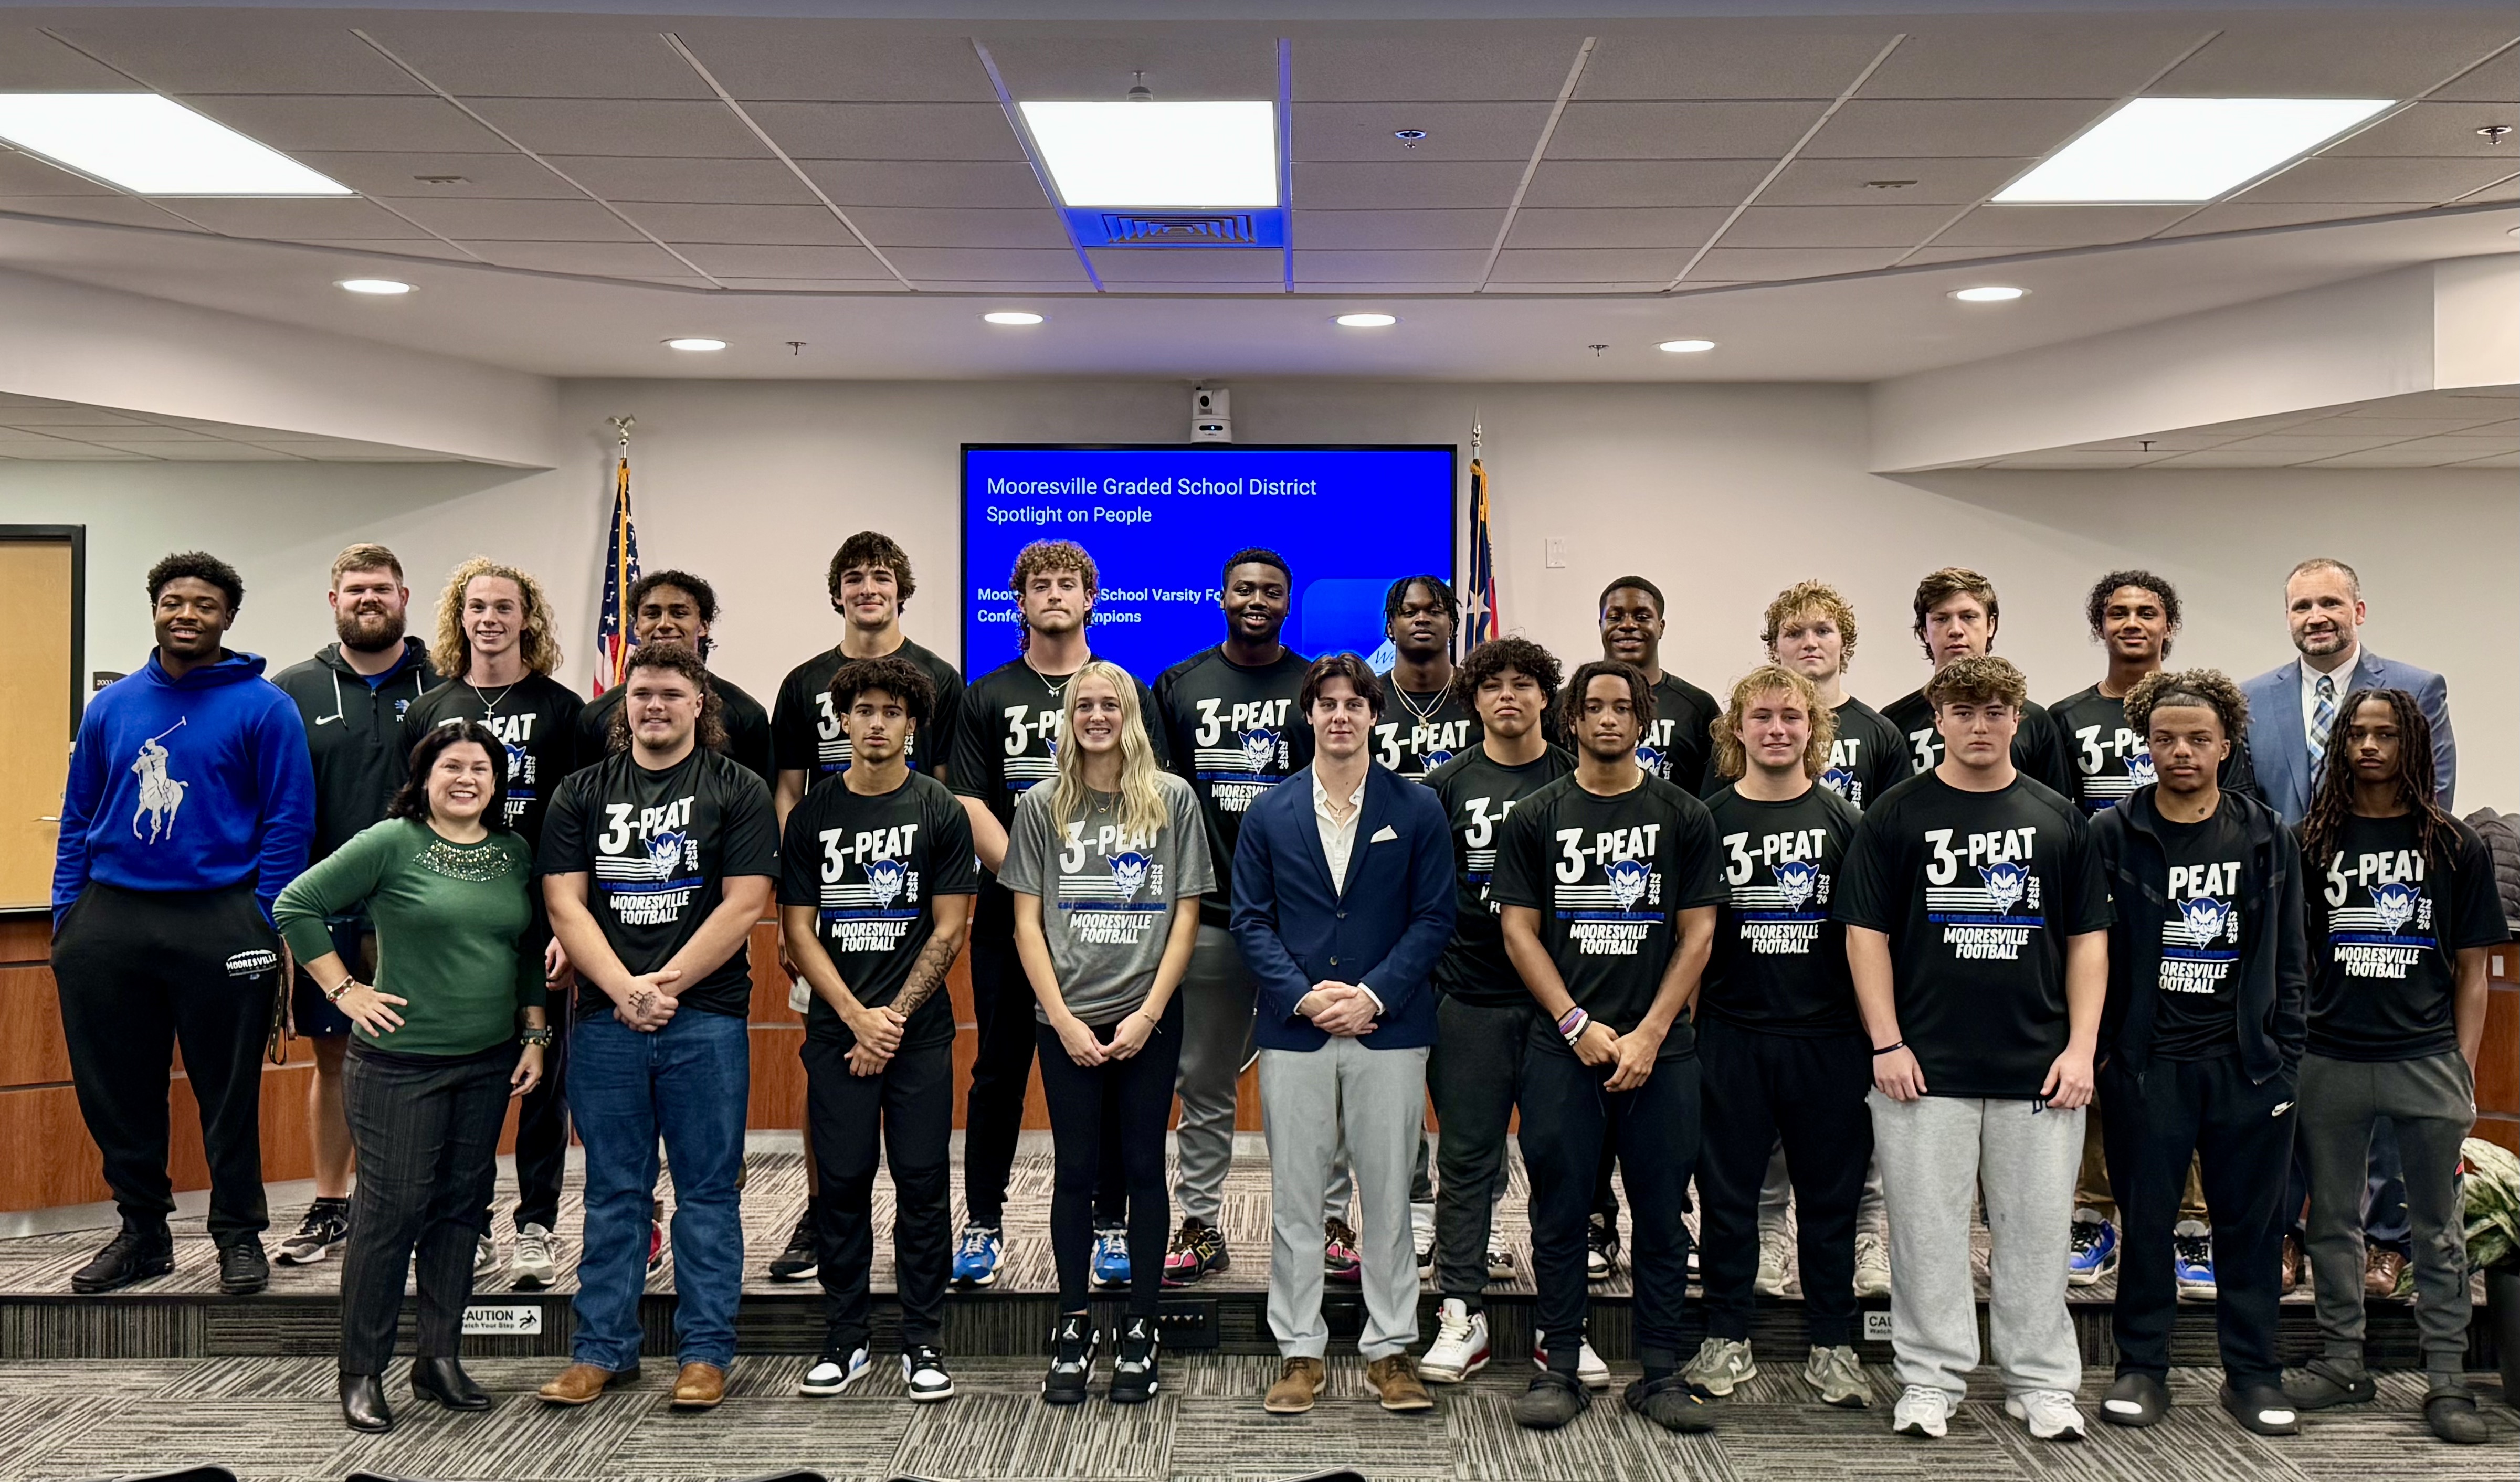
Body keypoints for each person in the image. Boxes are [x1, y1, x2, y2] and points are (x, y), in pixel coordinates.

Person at [1837, 655, 2109, 1444]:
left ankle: (2041, 1381)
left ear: (2016, 717)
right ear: (1938, 717)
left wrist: (2081, 1049)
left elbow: (2089, 941)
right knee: (1924, 1232)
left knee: (2036, 1233)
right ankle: (1929, 1378)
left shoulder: (2059, 818)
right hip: (1922, 1069)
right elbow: (1866, 937)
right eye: (1964, 711)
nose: (1980, 725)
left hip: (2039, 1069)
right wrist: (1885, 1041)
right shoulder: (1895, 815)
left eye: (1995, 711)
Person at [50, 552, 313, 1298]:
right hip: (111, 918)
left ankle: (237, 1235)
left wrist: (263, 918)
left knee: (225, 1091)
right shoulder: (112, 708)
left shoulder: (265, 707)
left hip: (221, 917)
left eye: (203, 603)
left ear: (228, 617)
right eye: (173, 601)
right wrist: (69, 913)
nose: (186, 614)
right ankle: (142, 1234)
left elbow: (289, 821)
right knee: (117, 1088)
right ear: (155, 609)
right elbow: (78, 817)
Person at [273, 722, 549, 1434]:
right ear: (425, 776)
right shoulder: (392, 842)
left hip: (487, 1061)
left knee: (461, 1211)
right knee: (389, 1214)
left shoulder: (513, 852)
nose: (467, 780)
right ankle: (361, 1371)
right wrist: (344, 992)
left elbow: (523, 951)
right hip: (399, 1065)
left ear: (498, 783)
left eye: (482, 770)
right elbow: (295, 906)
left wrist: (534, 1032)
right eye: (452, 767)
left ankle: (439, 1360)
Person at [535, 643, 776, 1413]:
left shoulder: (736, 788)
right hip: (607, 1021)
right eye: (642, 694)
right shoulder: (581, 792)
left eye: (672, 693)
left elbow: (744, 906)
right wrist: (622, 989)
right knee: (613, 1194)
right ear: (622, 704)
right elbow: (565, 905)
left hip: (704, 1019)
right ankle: (602, 1352)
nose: (655, 706)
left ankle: (705, 1354)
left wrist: (662, 986)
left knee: (708, 1194)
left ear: (699, 703)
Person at [1495, 659, 1723, 1434]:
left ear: (1642, 719)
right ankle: (1560, 1364)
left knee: (1661, 1217)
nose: (1606, 720)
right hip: (1565, 1051)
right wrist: (1574, 1024)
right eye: (1592, 707)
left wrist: (1651, 1034)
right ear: (1572, 719)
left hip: (1663, 1052)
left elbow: (1698, 935)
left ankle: (1661, 1371)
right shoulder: (1535, 816)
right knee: (1559, 1213)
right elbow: (1518, 930)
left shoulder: (1684, 816)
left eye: (1621, 708)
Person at [2089, 670, 2306, 1438]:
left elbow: (2290, 959)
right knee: (2146, 1224)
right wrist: (2111, 1057)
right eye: (2164, 738)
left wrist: (2286, 1060)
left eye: (2197, 739)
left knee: (2248, 1228)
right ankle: (2141, 1369)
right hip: (2147, 1068)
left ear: (2225, 745)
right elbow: (2089, 954)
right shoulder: (2112, 834)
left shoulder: (2265, 835)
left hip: (2247, 1068)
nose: (2180, 751)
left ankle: (2251, 1375)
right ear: (2144, 743)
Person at [1235, 653, 1452, 1417]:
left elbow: (1434, 921)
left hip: (1388, 1031)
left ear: (1373, 714)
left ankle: (1392, 1351)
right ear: (1309, 715)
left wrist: (1370, 996)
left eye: (1353, 704)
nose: (1339, 716)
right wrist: (1302, 998)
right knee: (1295, 1199)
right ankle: (1299, 1350)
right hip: (1294, 1032)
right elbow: (1250, 922)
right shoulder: (1269, 812)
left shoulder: (1417, 809)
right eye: (1325, 703)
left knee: (1390, 1196)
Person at [2283, 689, 2497, 1446]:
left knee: (2437, 1232)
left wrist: (2461, 1067)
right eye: (2357, 735)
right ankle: (2344, 1362)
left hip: (2426, 1060)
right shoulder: (2312, 840)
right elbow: (2295, 957)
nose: (2370, 747)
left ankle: (2447, 1378)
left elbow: (2473, 970)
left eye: (2386, 735)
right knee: (2332, 1225)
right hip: (2331, 1057)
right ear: (2340, 746)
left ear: (2413, 744)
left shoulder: (2452, 845)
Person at [2240, 558, 2457, 1297]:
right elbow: (2245, 810)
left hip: (2380, 913)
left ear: (2358, 610)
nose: (2315, 616)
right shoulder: (2253, 698)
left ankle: (2387, 1244)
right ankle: (2290, 1236)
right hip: (2287, 916)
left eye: (2329, 601)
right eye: (2301, 605)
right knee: (2295, 1084)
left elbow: (2433, 794)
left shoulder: (2416, 688)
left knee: (2387, 1082)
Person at [948, 541, 1163, 1288]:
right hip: (1015, 919)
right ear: (1020, 599)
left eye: (1068, 583)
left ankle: (1110, 1226)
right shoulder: (986, 695)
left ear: (1089, 598)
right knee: (998, 1072)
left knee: (1107, 1068)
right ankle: (982, 1222)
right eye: (1038, 584)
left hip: (1115, 923)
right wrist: (1036, 883)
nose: (1054, 594)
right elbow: (970, 801)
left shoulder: (1125, 689)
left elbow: (1154, 800)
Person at [1006, 661, 1209, 1405]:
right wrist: (1059, 1018)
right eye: (1084, 705)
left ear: (1131, 715)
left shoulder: (1172, 801)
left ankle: (1141, 1327)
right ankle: (1072, 1325)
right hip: (1064, 1020)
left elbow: (1186, 914)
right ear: (1070, 718)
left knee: (1144, 1169)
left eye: (1110, 704)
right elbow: (1025, 920)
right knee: (1075, 1171)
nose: (1097, 716)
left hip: (1148, 1015)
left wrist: (1149, 1012)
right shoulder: (1038, 806)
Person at [765, 532, 963, 1284]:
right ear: (837, 592)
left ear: (901, 589)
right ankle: (821, 1212)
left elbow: (944, 789)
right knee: (830, 1077)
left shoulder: (938, 678)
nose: (868, 588)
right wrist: (800, 899)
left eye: (882, 576)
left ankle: (920, 1266)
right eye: (854, 578)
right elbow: (788, 790)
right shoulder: (802, 682)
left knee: (913, 1133)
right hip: (821, 912)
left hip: (909, 919)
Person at [781, 657, 976, 1405]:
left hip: (918, 1036)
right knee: (843, 1185)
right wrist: (857, 1018)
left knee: (923, 1185)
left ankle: (922, 1338)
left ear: (911, 723)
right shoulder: (814, 813)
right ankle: (846, 1337)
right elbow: (799, 933)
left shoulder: (940, 809)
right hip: (838, 1034)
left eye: (890, 712)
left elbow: (951, 927)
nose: (875, 724)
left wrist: (890, 1020)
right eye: (863, 710)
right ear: (843, 720)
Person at [2050, 572, 2245, 1295]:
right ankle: (2094, 1215)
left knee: (2192, 1064)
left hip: (2199, 918)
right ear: (2098, 626)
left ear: (2170, 625)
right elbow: (2057, 818)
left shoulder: (2206, 713)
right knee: (2106, 1059)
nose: (2132, 623)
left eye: (2147, 613)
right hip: (2110, 913)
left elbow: (2238, 812)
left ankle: (2192, 1226)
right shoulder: (2067, 717)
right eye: (2117, 613)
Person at [1684, 666, 1873, 1410]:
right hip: (1731, 1035)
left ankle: (1834, 1345)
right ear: (1736, 729)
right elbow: (1690, 939)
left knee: (1831, 1201)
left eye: (1791, 717)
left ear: (1812, 730)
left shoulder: (1847, 825)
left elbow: (1867, 943)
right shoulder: (1706, 820)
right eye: (1760, 717)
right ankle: (1726, 1335)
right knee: (1727, 1197)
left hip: (1827, 1040)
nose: (1776, 729)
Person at [400, 557, 586, 1285]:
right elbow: (409, 820)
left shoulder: (561, 708)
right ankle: (465, 1224)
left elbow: (575, 824)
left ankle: (536, 1225)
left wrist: (569, 930)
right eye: (477, 606)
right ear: (459, 617)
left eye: (505, 607)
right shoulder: (429, 708)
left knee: (543, 1081)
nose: (490, 619)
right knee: (467, 1075)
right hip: (454, 928)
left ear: (526, 619)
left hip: (538, 925)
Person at [270, 543, 440, 1270]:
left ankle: (419, 1210)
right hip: (330, 915)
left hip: (431, 910)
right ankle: (331, 1205)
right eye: (353, 590)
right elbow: (274, 808)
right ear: (333, 601)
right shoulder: (292, 690)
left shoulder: (445, 683)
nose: (367, 599)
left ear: (405, 596)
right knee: (336, 1058)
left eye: (380, 588)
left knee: (431, 1062)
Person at [1153, 551, 1312, 1287]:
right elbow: (1160, 809)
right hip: (1212, 917)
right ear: (1221, 596)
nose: (1257, 600)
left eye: (1271, 592)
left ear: (1288, 602)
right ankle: (1200, 1224)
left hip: (1303, 925)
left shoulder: (1317, 688)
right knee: (1205, 1080)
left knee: (1312, 1083)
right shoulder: (1178, 686)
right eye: (1244, 589)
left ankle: (1324, 1225)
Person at [1418, 638, 1572, 1385]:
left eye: (1523, 684)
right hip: (1469, 999)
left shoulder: (1578, 779)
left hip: (1558, 1010)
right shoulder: (1442, 786)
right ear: (1472, 700)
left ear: (1547, 697)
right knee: (1467, 1159)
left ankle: (1561, 1322)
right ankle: (1460, 1312)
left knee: (1559, 1161)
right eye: (1492, 687)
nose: (1508, 696)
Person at [1754, 580, 1898, 1299]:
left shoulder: (1879, 735)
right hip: (1766, 958)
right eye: (1793, 633)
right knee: (1765, 1133)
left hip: (1850, 955)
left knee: (1854, 1124)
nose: (1809, 644)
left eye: (1822, 632)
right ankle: (1769, 1240)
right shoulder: (1756, 724)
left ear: (1845, 643)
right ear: (1773, 646)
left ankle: (1870, 1238)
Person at [1581, 578, 1720, 1286]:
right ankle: (1597, 1218)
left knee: (1665, 1093)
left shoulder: (1697, 708)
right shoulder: (1580, 702)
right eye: (1616, 615)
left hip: (1671, 919)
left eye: (1642, 614)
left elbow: (1714, 804)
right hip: (1592, 920)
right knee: (1588, 1086)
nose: (1629, 624)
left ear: (1663, 621)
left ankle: (1673, 1220)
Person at [1878, 568, 2076, 796]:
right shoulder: (1895, 722)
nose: (1955, 630)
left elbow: (2055, 813)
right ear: (1924, 631)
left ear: (1991, 626)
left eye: (1969, 617)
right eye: (1941, 619)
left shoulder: (2033, 721)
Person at [578, 570, 773, 783]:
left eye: (679, 614)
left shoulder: (745, 715)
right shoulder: (596, 717)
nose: (664, 624)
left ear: (704, 625)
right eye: (652, 614)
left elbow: (760, 800)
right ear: (636, 627)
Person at [1374, 575, 1479, 781]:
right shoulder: (1368, 699)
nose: (1422, 619)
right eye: (1410, 612)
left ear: (1451, 626)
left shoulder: (1479, 695)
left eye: (1434, 611)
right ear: (1390, 628)